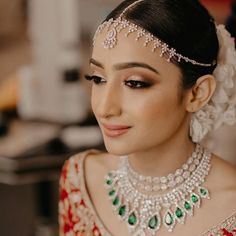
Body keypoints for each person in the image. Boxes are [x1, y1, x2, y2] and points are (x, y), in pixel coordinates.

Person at [59, 0, 236, 235]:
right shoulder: (79, 181)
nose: (104, 108)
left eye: (134, 83)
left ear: (197, 93)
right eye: (98, 79)